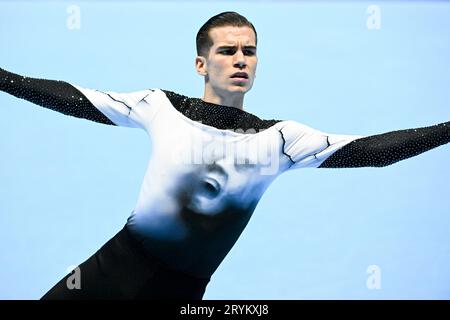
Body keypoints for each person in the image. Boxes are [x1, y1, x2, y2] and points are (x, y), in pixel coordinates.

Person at [0, 11, 449, 300]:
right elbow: (75, 98)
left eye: (249, 52)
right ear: (201, 64)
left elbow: (372, 151)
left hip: (184, 293)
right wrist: (4, 78)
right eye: (228, 50)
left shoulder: (281, 139)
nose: (240, 60)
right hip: (111, 271)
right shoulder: (161, 106)